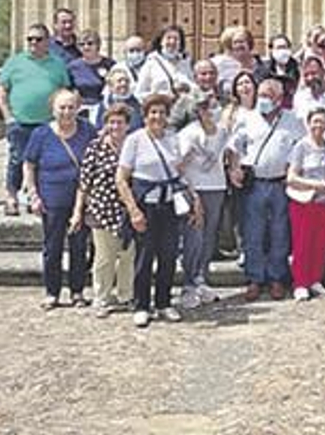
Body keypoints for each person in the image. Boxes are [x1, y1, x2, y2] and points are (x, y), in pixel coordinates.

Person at [117, 93, 201, 328]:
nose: (158, 117)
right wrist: (133, 211)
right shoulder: (134, 140)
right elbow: (122, 179)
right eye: (153, 112)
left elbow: (180, 173)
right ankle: (142, 304)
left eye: (162, 113)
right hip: (146, 203)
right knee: (144, 256)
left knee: (168, 254)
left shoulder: (173, 139)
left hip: (169, 204)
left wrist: (193, 199)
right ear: (145, 116)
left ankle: (163, 302)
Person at [227, 77, 304, 301]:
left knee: (280, 232)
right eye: (261, 95)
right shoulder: (248, 119)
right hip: (255, 184)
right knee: (253, 232)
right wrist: (234, 169)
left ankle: (276, 278)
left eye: (269, 96)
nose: (264, 100)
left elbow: (298, 148)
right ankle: (254, 278)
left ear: (280, 99)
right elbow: (233, 146)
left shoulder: (292, 120)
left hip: (281, 183)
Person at [23, 89, 97, 309]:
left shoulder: (88, 131)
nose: (66, 112)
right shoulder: (41, 134)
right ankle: (52, 292)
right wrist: (32, 194)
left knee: (79, 246)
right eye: (62, 108)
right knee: (52, 246)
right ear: (53, 110)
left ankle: (77, 291)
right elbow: (29, 164)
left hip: (81, 199)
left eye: (71, 107)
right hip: (51, 198)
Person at [0, 23, 71, 216]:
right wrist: (8, 118)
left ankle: (34, 198)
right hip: (20, 122)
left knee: (41, 162)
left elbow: (64, 90)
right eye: (30, 39)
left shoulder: (57, 64)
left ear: (47, 42)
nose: (33, 43)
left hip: (47, 123)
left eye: (38, 39)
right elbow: (3, 90)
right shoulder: (14, 62)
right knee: (16, 160)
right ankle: (11, 197)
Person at [74, 104, 134, 315]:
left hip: (129, 209)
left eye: (120, 122)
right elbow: (84, 181)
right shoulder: (95, 147)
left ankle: (126, 295)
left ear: (128, 125)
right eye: (111, 122)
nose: (115, 126)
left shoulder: (134, 145)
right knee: (104, 257)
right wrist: (78, 210)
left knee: (128, 255)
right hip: (101, 209)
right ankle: (102, 297)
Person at [176, 91, 229, 310]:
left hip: (216, 186)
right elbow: (178, 164)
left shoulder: (223, 132)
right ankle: (188, 283)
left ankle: (201, 279)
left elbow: (230, 153)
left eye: (214, 106)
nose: (211, 111)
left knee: (208, 237)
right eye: (206, 108)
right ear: (198, 111)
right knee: (193, 237)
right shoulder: (188, 133)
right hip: (194, 188)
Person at [285, 108, 325, 302]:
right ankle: (300, 283)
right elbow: (291, 177)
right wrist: (316, 185)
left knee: (321, 242)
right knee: (302, 243)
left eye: (322, 122)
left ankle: (316, 279)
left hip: (324, 203)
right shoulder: (301, 147)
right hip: (304, 201)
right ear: (308, 124)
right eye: (315, 121)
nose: (318, 126)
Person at [135, 24, 193, 99]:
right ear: (161, 41)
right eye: (168, 38)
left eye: (176, 39)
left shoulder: (185, 62)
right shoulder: (151, 63)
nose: (172, 42)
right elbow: (139, 93)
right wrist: (161, 96)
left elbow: (193, 87)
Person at [67, 32, 114, 122]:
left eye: (90, 43)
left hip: (103, 109)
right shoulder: (73, 66)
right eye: (82, 44)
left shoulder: (109, 64)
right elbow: (69, 88)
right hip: (80, 110)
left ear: (98, 45)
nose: (86, 47)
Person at [211, 25, 259, 95]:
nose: (239, 45)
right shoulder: (216, 64)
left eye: (242, 42)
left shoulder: (261, 64)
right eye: (235, 42)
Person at [101, 65, 142, 133]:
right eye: (119, 81)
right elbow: (100, 127)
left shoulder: (136, 103)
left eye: (126, 81)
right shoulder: (105, 104)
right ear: (111, 85)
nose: (123, 83)